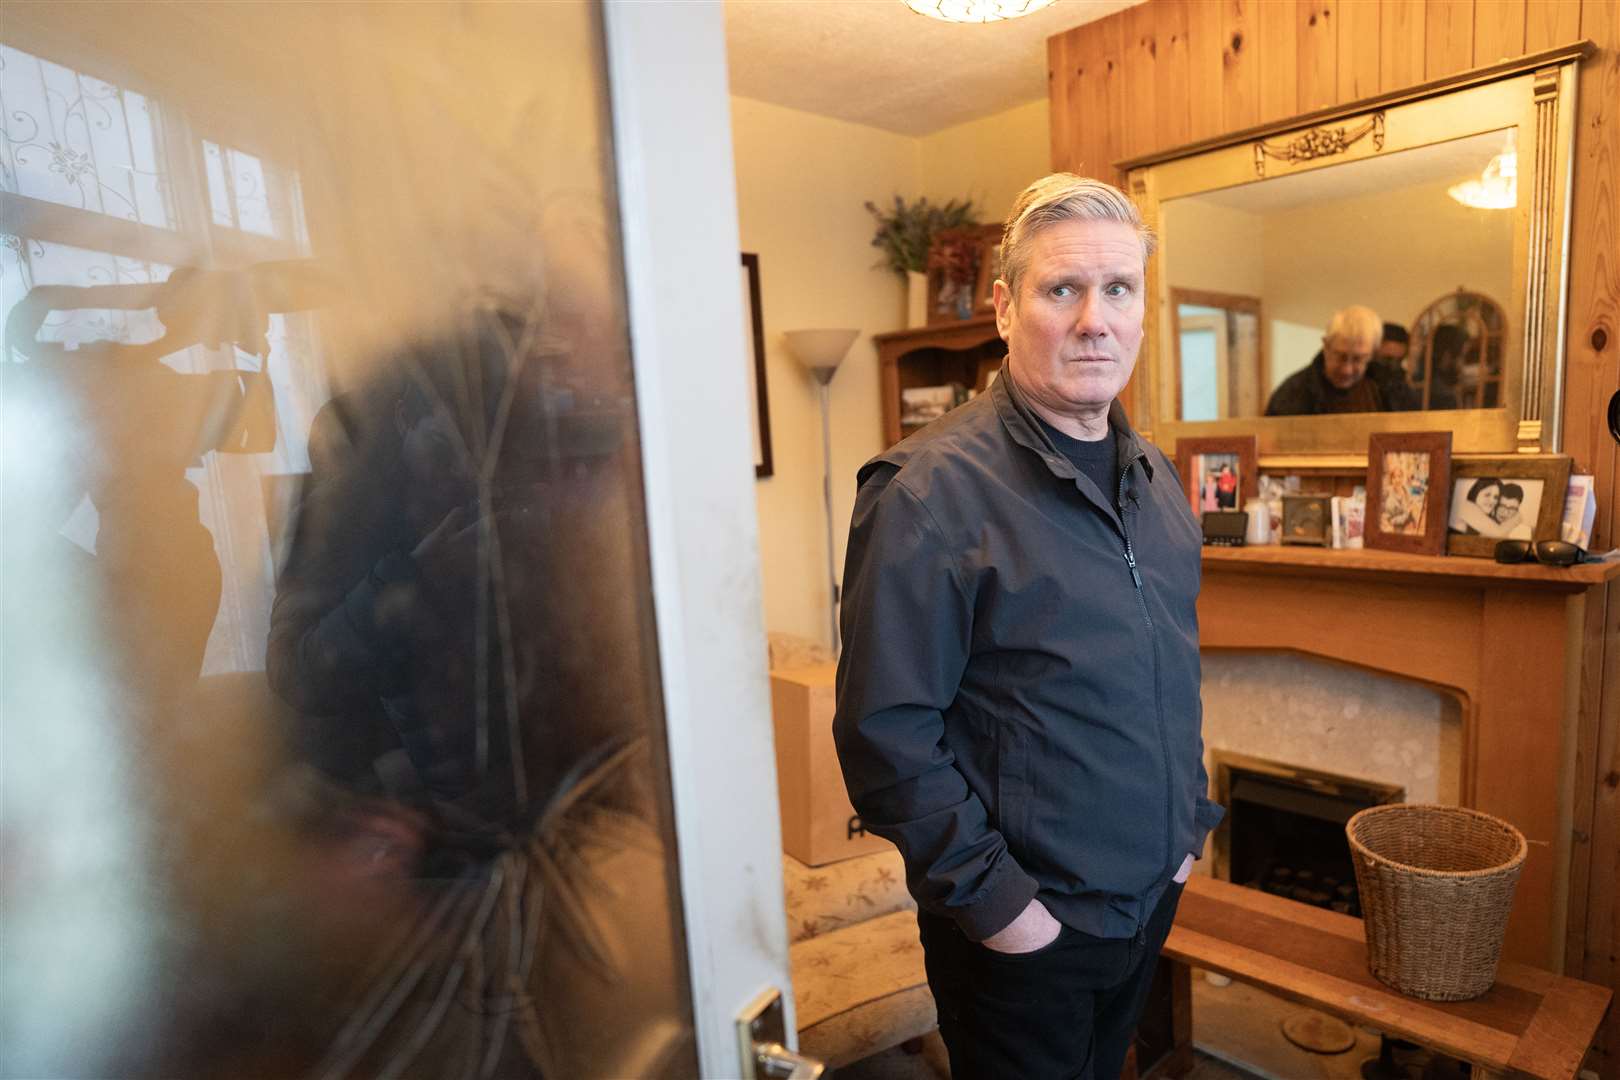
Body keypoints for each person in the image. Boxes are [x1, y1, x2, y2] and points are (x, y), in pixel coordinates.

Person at [834, 173, 1224, 1080]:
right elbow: (885, 737)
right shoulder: (927, 493)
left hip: (1146, 902)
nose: (1096, 319)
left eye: (1118, 290)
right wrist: (1007, 913)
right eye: (1063, 289)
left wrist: (1187, 831)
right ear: (1006, 308)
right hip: (1024, 933)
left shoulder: (1160, 482)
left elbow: (1172, 668)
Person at [1265, 305, 1420, 415]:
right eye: (1340, 356)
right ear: (1326, 346)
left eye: (1358, 359)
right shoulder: (1293, 393)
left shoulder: (1392, 389)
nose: (1347, 369)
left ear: (1372, 354)